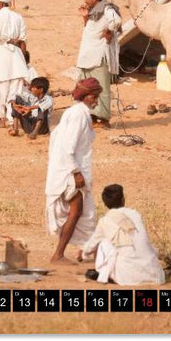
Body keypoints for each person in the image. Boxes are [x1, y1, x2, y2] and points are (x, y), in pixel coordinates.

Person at [46, 77, 100, 263]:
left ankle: (84, 250)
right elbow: (68, 146)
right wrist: (76, 173)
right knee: (76, 211)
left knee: (84, 212)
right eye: (94, 97)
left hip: (68, 168)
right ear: (86, 96)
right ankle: (58, 254)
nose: (96, 101)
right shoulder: (78, 115)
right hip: (70, 171)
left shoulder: (76, 112)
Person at [82, 184, 165, 285]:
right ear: (123, 200)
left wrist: (83, 253)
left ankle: (103, 273)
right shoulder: (136, 215)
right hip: (156, 275)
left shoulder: (104, 221)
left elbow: (89, 247)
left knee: (104, 243)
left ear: (105, 204)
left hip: (127, 279)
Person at [76, 0, 122, 128]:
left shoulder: (107, 9)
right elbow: (91, 31)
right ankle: (92, 117)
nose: (86, 0)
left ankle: (104, 119)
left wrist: (109, 31)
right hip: (87, 54)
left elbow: (117, 21)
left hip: (98, 55)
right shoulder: (93, 12)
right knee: (87, 87)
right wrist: (85, 17)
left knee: (101, 88)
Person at [0, 0, 28, 129]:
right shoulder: (19, 17)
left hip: (1, 56)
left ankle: (0, 118)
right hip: (17, 58)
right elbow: (23, 40)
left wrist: (9, 40)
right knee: (15, 90)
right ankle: (12, 119)